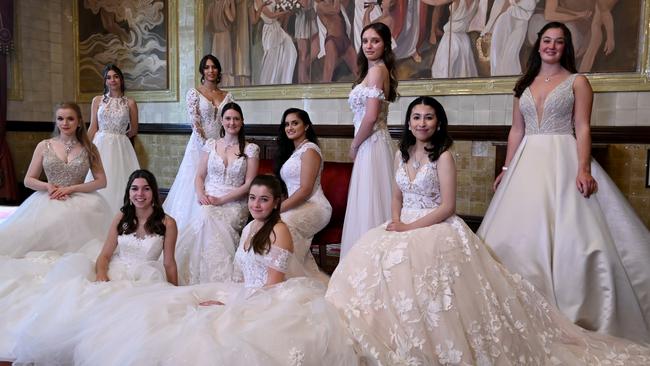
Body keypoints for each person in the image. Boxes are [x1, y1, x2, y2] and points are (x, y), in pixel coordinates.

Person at [326, 96, 650, 365]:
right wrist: (395, 222)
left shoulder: (444, 156)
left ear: (438, 123)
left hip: (435, 224)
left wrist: (411, 227)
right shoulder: (401, 153)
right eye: (416, 117)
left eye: (428, 117)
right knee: (373, 268)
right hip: (401, 222)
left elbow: (448, 207)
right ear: (409, 123)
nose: (422, 123)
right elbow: (396, 195)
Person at [54, 175, 358, 366]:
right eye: (252, 198)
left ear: (277, 202)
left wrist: (231, 302)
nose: (256, 204)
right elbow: (241, 274)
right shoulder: (252, 226)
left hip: (267, 301)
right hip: (246, 290)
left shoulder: (280, 231)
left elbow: (272, 287)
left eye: (264, 199)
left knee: (211, 331)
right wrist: (226, 292)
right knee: (179, 307)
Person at [477, 22, 650, 344]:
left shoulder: (578, 82)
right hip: (527, 159)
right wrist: (506, 167)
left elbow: (582, 128)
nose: (551, 46)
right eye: (546, 40)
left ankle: (569, 306)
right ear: (538, 45)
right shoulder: (523, 85)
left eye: (558, 42)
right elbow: (516, 130)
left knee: (571, 234)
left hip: (562, 156)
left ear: (566, 47)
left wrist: (583, 169)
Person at [2, 169, 178, 364]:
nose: (140, 194)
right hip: (115, 271)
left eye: (146, 189)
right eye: (135, 189)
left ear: (154, 192)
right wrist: (102, 275)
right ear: (128, 192)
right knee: (87, 305)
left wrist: (175, 291)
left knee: (136, 316)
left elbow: (169, 262)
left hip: (145, 278)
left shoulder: (167, 223)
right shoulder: (122, 217)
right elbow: (104, 255)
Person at [0, 102, 111, 257]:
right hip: (48, 198)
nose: (64, 123)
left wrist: (72, 188)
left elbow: (101, 181)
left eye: (70, 119)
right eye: (60, 118)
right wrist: (48, 186)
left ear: (79, 121)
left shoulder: (89, 148)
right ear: (56, 121)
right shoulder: (44, 146)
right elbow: (28, 180)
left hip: (81, 200)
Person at [175, 102, 259, 285]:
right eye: (228, 118)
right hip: (209, 198)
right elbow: (199, 176)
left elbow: (250, 184)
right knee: (205, 214)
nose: (232, 122)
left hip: (235, 202)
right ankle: (193, 275)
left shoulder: (250, 149)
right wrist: (200, 194)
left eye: (236, 119)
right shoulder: (211, 145)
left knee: (208, 216)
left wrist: (221, 200)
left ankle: (219, 279)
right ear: (222, 121)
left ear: (242, 122)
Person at [340, 22, 397, 258]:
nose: (369, 45)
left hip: (371, 143)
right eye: (365, 41)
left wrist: (354, 145)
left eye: (375, 40)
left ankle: (371, 261)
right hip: (374, 143)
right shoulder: (376, 71)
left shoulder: (377, 71)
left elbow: (372, 116)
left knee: (370, 203)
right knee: (373, 201)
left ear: (385, 45)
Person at [163, 54, 234, 230]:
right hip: (199, 145)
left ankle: (213, 223)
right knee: (194, 182)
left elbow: (230, 121)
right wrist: (208, 148)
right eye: (207, 67)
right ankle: (188, 227)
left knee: (216, 183)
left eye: (214, 67)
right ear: (202, 71)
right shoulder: (194, 93)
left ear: (218, 71)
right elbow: (195, 123)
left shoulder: (227, 95)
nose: (211, 70)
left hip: (221, 145)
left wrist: (224, 147)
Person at [274, 108, 330, 282]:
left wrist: (278, 209)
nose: (290, 127)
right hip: (296, 205)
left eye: (295, 123)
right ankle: (272, 275)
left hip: (315, 206)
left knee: (284, 225)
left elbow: (305, 191)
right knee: (263, 225)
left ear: (306, 126)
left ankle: (289, 280)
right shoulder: (294, 152)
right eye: (287, 124)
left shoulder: (310, 150)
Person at [87, 63, 140, 214]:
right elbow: (93, 127)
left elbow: (134, 129)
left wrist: (120, 138)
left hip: (120, 146)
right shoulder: (97, 100)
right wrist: (85, 146)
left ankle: (122, 215)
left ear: (121, 79)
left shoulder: (130, 102)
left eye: (116, 76)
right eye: (108, 77)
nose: (112, 80)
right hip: (100, 144)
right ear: (105, 81)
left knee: (120, 180)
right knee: (100, 179)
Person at [251, 0, 297, 84]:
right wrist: (285, 11)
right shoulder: (258, 1)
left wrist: (287, 6)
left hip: (277, 27)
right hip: (268, 30)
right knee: (271, 57)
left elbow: (279, 7)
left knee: (290, 49)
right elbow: (270, 15)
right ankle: (267, 83)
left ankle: (284, 80)